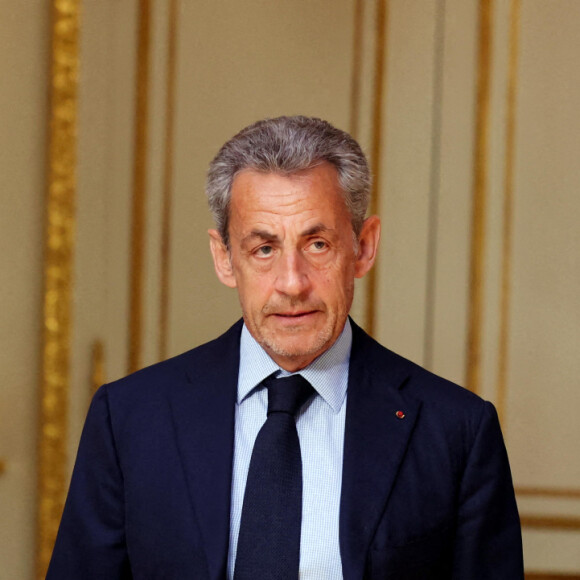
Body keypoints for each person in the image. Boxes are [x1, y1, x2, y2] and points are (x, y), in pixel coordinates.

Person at [47, 116, 524, 579]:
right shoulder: (129, 417)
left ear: (363, 246)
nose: (292, 284)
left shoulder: (456, 431)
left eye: (318, 245)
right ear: (224, 258)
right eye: (264, 249)